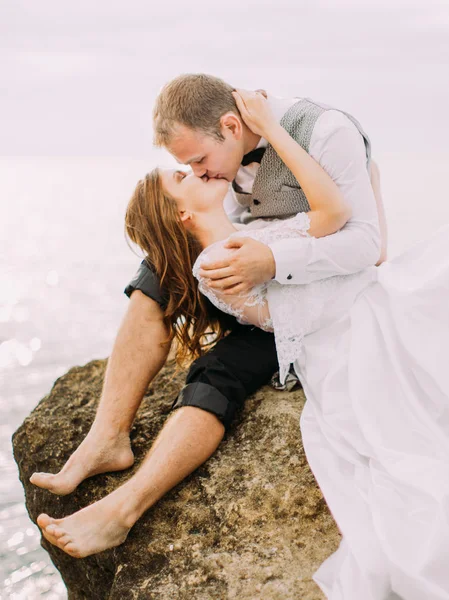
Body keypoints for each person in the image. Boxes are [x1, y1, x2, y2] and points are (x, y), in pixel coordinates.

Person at [29, 75, 386, 562]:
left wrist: (271, 262)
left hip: (296, 285)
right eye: (184, 167)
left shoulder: (325, 132)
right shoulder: (216, 168)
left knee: (219, 372)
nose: (197, 171)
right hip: (239, 271)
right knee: (156, 271)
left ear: (232, 125)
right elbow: (216, 224)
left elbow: (368, 244)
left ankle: (123, 509)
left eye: (197, 161)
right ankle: (106, 436)